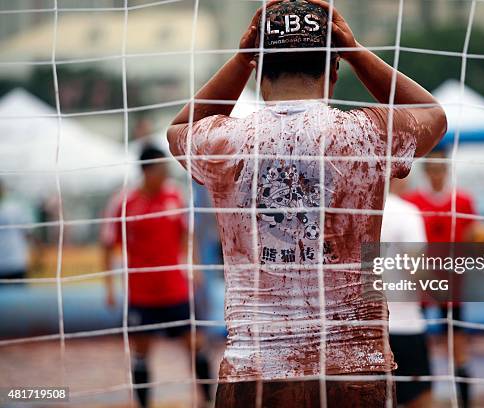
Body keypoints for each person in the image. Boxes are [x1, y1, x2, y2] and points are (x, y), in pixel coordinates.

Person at [167, 1, 446, 406]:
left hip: (254, 369)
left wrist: (243, 57)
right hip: (353, 367)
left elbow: (179, 128)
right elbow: (432, 114)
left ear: (259, 74)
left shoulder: (225, 141)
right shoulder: (364, 134)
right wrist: (354, 50)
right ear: (334, 72)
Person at [101, 146, 211, 408]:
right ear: (147, 170)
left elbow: (188, 234)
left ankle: (208, 400)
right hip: (141, 293)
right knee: (141, 351)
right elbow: (107, 245)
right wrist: (109, 287)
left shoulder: (175, 195)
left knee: (195, 343)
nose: (166, 173)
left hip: (176, 289)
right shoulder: (123, 203)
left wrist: (193, 267)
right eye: (161, 168)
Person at [403, 147, 484, 408]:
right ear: (426, 171)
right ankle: (420, 397)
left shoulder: (463, 201)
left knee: (458, 347)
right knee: (419, 344)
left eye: (441, 168)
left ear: (447, 169)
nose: (437, 173)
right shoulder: (412, 203)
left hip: (452, 286)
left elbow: (477, 242)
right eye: (432, 168)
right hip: (419, 285)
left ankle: (465, 401)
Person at [381, 178, 433, 408]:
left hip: (360, 330)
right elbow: (418, 269)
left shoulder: (349, 209)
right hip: (403, 325)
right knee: (419, 399)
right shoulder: (405, 212)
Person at [0, 179, 35, 284]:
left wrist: (38, 253)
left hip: (16, 263)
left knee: (19, 299)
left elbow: (28, 233)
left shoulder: (15, 208)